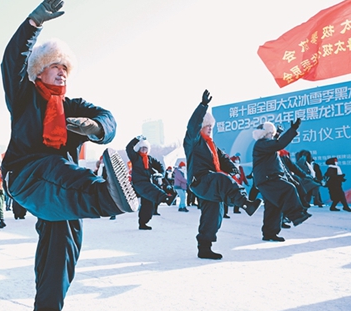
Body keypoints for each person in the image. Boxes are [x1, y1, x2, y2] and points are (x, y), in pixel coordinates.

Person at [0, 0, 137, 311]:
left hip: (59, 186)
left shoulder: (72, 105)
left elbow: (109, 118)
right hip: (27, 174)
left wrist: (96, 129)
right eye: (54, 67)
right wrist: (33, 24)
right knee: (55, 168)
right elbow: (11, 61)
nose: (61, 73)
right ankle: (105, 194)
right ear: (39, 71)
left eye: (65, 68)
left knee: (63, 246)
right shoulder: (24, 94)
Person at [184, 90, 262, 260]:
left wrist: (232, 168)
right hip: (201, 180)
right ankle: (245, 203)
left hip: (211, 184)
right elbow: (192, 126)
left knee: (214, 216)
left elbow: (223, 159)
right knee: (221, 178)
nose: (210, 128)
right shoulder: (193, 141)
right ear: (201, 127)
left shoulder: (212, 145)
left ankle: (205, 248)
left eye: (212, 126)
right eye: (207, 125)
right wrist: (203, 106)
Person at [252, 120, 312, 242]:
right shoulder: (262, 144)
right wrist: (292, 130)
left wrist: (279, 133)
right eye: (271, 133)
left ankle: (270, 233)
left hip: (267, 179)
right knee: (289, 188)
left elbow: (275, 143)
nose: (272, 135)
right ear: (265, 134)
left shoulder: (265, 144)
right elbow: (278, 144)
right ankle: (297, 215)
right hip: (269, 178)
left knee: (273, 206)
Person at [126, 136, 176, 230]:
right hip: (138, 183)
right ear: (139, 149)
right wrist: (136, 139)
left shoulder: (149, 159)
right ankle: (166, 198)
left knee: (149, 203)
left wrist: (160, 173)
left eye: (146, 148)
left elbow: (160, 165)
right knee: (152, 190)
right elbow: (128, 148)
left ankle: (143, 223)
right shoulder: (135, 157)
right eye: (142, 148)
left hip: (147, 181)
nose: (144, 150)